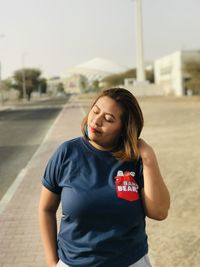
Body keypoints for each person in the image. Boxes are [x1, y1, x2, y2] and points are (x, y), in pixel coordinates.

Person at [38, 88, 170, 267]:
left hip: (131, 262)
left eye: (108, 119)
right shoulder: (67, 153)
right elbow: (46, 209)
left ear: (123, 129)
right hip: (74, 262)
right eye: (96, 110)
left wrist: (148, 158)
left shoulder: (134, 160)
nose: (96, 120)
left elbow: (159, 212)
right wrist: (52, 262)